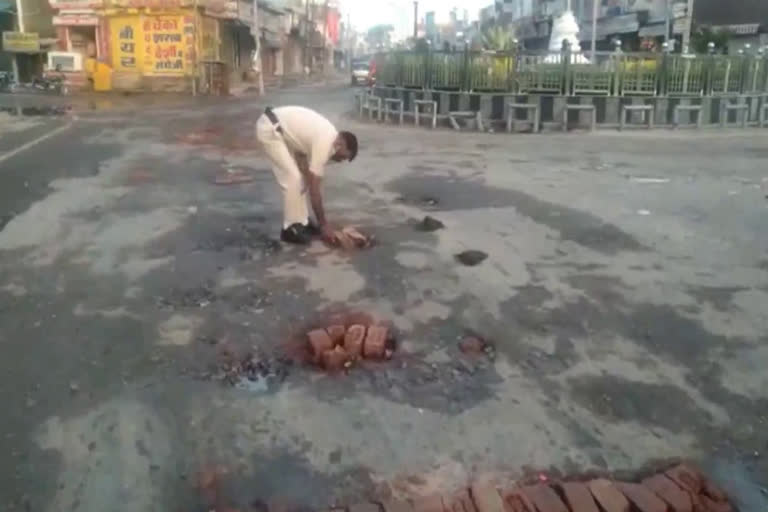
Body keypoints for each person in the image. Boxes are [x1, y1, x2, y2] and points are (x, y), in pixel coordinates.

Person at [255, 106, 358, 245]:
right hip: (270, 129)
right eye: (344, 157)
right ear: (339, 145)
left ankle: (302, 222)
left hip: (281, 131)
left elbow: (302, 156)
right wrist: (324, 225)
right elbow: (315, 192)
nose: (342, 161)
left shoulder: (330, 137)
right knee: (292, 178)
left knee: (301, 179)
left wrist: (307, 177)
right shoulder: (326, 143)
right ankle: (290, 229)